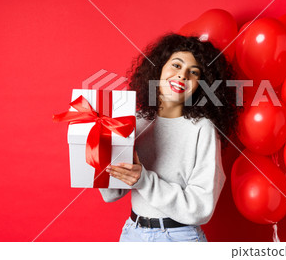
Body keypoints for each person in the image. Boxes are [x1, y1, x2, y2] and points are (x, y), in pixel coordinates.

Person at [99, 33, 239, 242]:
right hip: (132, 234)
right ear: (159, 69)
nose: (182, 76)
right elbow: (112, 195)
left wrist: (144, 180)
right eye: (176, 65)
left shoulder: (202, 128)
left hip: (178, 238)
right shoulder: (136, 121)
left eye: (193, 72)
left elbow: (202, 208)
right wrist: (98, 153)